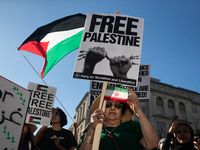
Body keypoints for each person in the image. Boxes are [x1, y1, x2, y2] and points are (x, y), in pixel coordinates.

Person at [78, 88, 158, 150]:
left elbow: (152, 145)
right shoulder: (92, 130)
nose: (113, 108)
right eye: (108, 105)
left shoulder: (132, 126)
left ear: (122, 111)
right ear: (102, 109)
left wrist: (138, 111)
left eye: (117, 105)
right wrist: (92, 129)